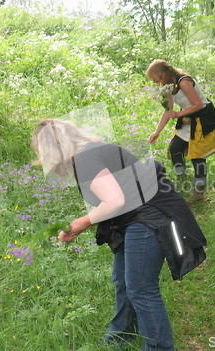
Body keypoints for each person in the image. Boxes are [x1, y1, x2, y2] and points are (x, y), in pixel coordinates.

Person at [31, 118, 206, 351]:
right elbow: (118, 198)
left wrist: (82, 223)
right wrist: (79, 226)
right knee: (123, 281)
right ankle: (121, 335)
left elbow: (115, 200)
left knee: (141, 288)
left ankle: (159, 348)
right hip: (136, 216)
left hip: (150, 218)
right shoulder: (90, 153)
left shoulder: (87, 157)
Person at [146, 59, 215, 201]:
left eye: (155, 79)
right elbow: (169, 111)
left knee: (197, 157)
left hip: (202, 120)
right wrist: (157, 131)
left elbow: (198, 104)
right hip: (187, 119)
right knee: (175, 148)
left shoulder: (183, 81)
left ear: (163, 74)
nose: (156, 83)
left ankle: (199, 191)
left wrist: (178, 114)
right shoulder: (167, 86)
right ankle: (182, 179)